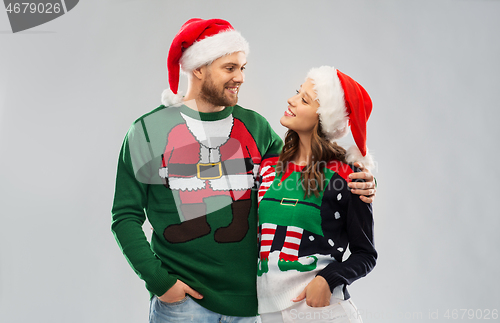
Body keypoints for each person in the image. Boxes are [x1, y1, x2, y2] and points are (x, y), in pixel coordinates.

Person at [111, 18, 376, 323]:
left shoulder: (256, 127)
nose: (240, 77)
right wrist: (161, 283)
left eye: (243, 67)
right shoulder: (147, 130)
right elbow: (125, 216)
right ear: (199, 68)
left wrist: (362, 180)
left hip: (251, 309)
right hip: (182, 306)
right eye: (230, 68)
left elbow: (304, 171)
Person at [256, 66, 377, 323]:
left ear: (323, 117)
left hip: (323, 313)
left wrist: (328, 278)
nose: (291, 100)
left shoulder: (348, 177)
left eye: (304, 100)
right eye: (297, 93)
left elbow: (366, 254)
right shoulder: (268, 168)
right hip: (267, 314)